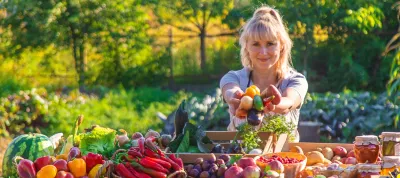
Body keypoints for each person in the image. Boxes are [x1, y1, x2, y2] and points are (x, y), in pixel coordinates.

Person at [220, 6, 308, 142]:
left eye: (270, 44)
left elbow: (289, 101)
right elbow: (230, 90)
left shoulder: (296, 80)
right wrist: (235, 98)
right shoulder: (234, 78)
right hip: (240, 161)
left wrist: (273, 104)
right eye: (256, 44)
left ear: (282, 46)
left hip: (284, 161)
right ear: (247, 47)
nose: (263, 52)